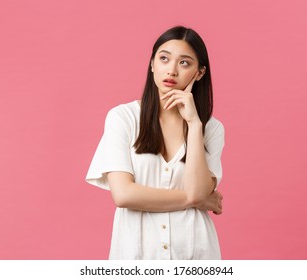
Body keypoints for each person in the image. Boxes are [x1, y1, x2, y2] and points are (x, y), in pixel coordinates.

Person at [85, 26, 225, 260]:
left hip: (195, 254)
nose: (171, 69)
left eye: (184, 63)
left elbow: (199, 190)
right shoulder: (123, 118)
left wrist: (194, 124)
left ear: (199, 73)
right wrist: (194, 200)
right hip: (137, 255)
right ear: (152, 64)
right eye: (164, 58)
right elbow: (123, 195)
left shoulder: (210, 128)